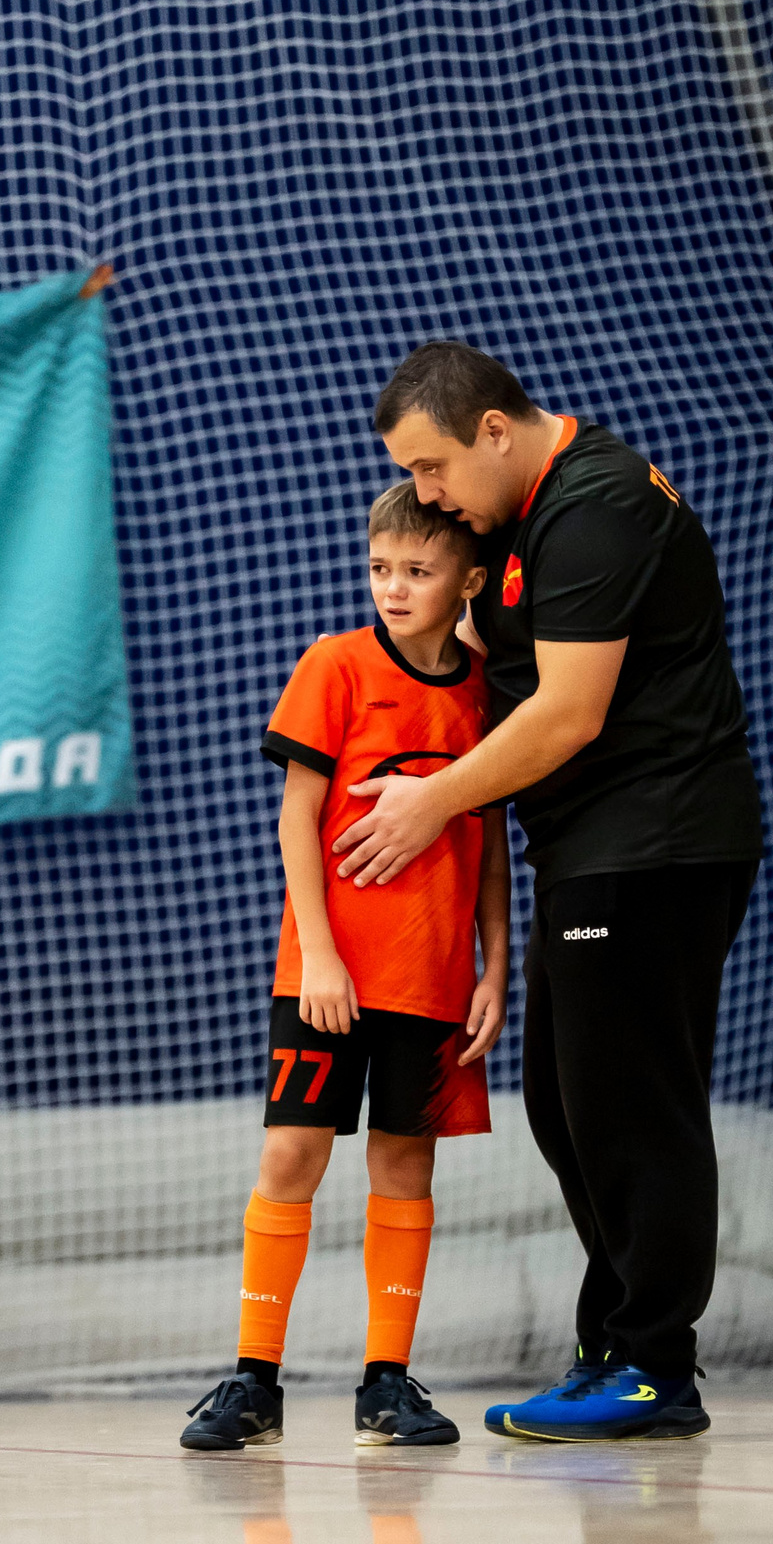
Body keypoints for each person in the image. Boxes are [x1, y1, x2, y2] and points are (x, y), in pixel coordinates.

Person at [339, 341, 763, 1442]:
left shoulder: (596, 505)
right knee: (568, 1108)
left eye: (431, 469)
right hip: (592, 848)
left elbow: (568, 712)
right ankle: (611, 1345)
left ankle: (654, 1368)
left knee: (629, 1107)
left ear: (491, 430)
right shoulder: (516, 519)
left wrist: (429, 806)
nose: (426, 496)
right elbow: (489, 651)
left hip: (658, 844)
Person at [180, 483, 512, 1451]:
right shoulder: (333, 665)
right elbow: (296, 819)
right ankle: (253, 1382)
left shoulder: (487, 697)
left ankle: (386, 1385)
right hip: (326, 979)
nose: (394, 589)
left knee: (404, 1166)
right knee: (292, 1155)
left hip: (433, 978)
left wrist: (493, 970)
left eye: (418, 571)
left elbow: (487, 841)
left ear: (469, 582)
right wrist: (317, 954)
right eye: (380, 570)